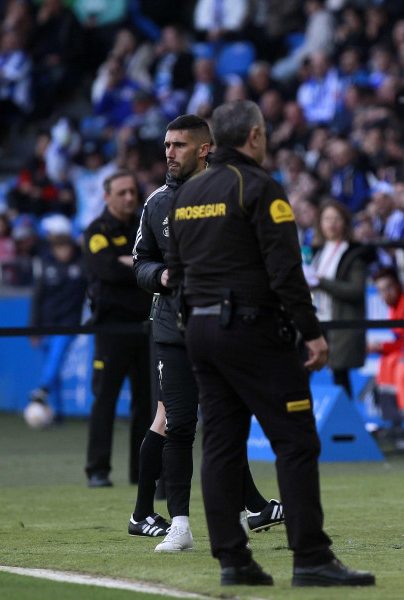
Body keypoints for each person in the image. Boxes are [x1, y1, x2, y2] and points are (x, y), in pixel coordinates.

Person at [165, 100, 373, 587]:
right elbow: (286, 271)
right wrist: (313, 333)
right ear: (255, 136)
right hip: (252, 330)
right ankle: (312, 559)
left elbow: (176, 272)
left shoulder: (186, 194)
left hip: (198, 329)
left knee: (220, 446)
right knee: (296, 440)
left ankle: (234, 562)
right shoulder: (257, 187)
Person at [129, 114, 284, 550]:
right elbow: (140, 261)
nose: (169, 153)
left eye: (178, 145)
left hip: (223, 327)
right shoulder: (157, 202)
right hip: (171, 331)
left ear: (203, 149)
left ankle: (241, 510)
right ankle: (179, 523)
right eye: (166, 145)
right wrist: (159, 276)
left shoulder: (233, 192)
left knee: (226, 424)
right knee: (178, 423)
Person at [82, 169, 152, 488]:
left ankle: (142, 471)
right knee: (105, 398)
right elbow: (106, 269)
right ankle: (98, 470)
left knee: (147, 401)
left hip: (147, 326)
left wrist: (129, 263)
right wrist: (140, 266)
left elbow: (159, 264)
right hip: (111, 328)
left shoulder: (145, 224)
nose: (128, 197)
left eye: (132, 192)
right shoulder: (97, 230)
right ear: (106, 196)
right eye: (121, 192)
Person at [302, 200, 368, 400]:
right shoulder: (317, 251)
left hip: (340, 323)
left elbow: (356, 290)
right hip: (318, 320)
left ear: (346, 223)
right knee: (302, 371)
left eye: (337, 218)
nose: (332, 223)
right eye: (327, 218)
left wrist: (322, 282)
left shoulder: (354, 253)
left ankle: (347, 426)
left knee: (340, 375)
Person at [27, 215, 88, 420]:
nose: (64, 251)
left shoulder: (81, 265)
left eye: (67, 247)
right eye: (59, 247)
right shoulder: (46, 266)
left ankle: (42, 389)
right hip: (46, 324)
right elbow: (37, 299)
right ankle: (57, 413)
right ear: (53, 249)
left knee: (56, 357)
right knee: (53, 369)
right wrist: (33, 328)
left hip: (68, 324)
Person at [368, 266, 404, 431]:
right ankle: (393, 420)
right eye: (380, 290)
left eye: (388, 288)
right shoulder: (393, 307)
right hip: (402, 352)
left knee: (400, 367)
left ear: (398, 285)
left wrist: (381, 346)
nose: (385, 293)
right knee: (386, 362)